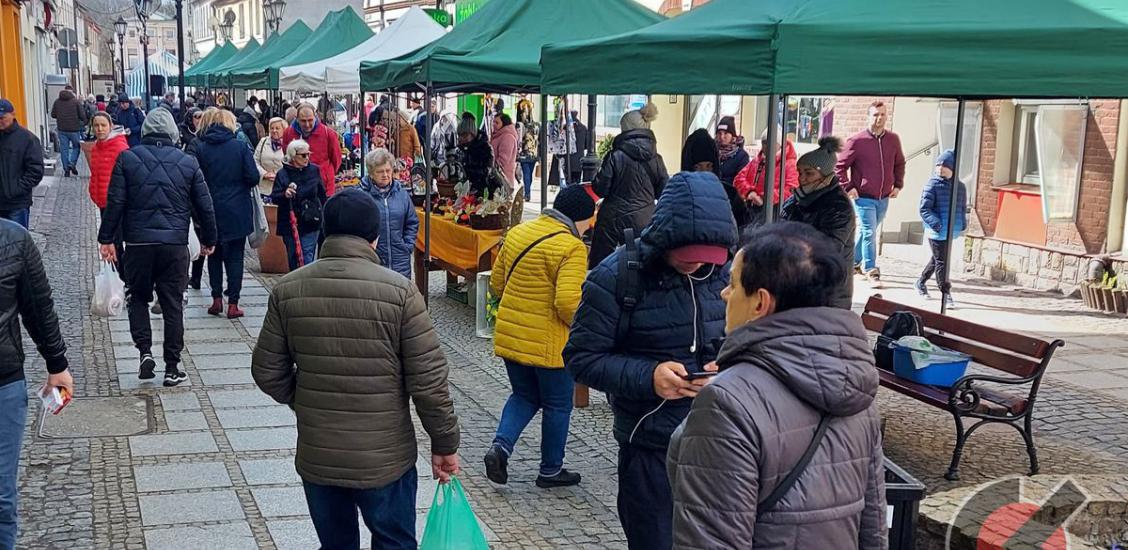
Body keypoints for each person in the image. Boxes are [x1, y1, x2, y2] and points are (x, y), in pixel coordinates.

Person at [251, 189, 461, 550]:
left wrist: (304, 399)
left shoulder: (288, 289)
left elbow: (266, 369)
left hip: (320, 456)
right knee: (394, 542)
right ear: (374, 236)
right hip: (385, 459)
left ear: (327, 230)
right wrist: (444, 443)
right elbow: (429, 382)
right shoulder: (400, 293)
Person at [667, 221, 887, 550]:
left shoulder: (725, 403)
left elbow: (710, 539)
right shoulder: (857, 384)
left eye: (733, 284)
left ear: (760, 303)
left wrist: (732, 386)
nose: (724, 294)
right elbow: (874, 523)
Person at [564, 172, 736, 550]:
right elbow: (581, 358)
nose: (696, 266)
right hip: (650, 444)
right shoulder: (616, 276)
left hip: (723, 444)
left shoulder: (730, 277)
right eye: (687, 256)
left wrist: (729, 367)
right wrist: (649, 376)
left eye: (707, 258)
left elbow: (756, 343)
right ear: (664, 238)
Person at [484, 184, 596, 489]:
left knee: (523, 395)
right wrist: (587, 329)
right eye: (590, 220)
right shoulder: (571, 247)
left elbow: (496, 284)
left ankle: (500, 447)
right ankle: (550, 470)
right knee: (559, 404)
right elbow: (567, 303)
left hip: (511, 336)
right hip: (551, 346)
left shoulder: (519, 232)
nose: (590, 226)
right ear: (579, 218)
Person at [98, 108, 218, 387]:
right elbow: (205, 205)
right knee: (172, 303)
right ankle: (173, 367)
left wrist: (107, 240)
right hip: (174, 244)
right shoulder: (187, 163)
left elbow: (115, 203)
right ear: (174, 134)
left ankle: (144, 352)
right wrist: (209, 239)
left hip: (138, 243)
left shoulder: (127, 159)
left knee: (137, 297)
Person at [0, 217, 73, 549]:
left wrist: (57, 365)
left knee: (1, 495)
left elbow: (38, 307)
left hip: (3, 384)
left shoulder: (13, 239)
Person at [193, 109, 260, 319]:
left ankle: (216, 299)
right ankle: (233, 303)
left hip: (210, 208)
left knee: (213, 253)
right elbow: (252, 177)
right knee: (235, 257)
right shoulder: (239, 146)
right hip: (237, 208)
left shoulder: (201, 147)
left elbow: (195, 179)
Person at [835, 101, 906, 287]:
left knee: (869, 231)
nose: (879, 118)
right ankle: (871, 269)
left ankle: (852, 262)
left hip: (883, 196)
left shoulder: (893, 140)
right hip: (863, 197)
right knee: (869, 232)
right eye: (875, 115)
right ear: (868, 116)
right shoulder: (857, 141)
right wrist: (849, 187)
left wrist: (898, 185)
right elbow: (839, 167)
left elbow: (899, 163)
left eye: (882, 114)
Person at [780, 137, 856, 309]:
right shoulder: (796, 200)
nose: (802, 178)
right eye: (800, 172)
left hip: (828, 294)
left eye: (809, 173)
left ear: (825, 175)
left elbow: (826, 250)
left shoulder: (839, 206)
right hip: (799, 286)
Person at [589, 103, 667, 269]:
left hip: (612, 222)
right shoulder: (656, 159)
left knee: (603, 268)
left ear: (626, 129)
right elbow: (664, 192)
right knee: (641, 268)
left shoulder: (615, 156)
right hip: (645, 220)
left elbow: (600, 188)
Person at [917, 149, 968, 307]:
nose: (940, 168)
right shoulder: (932, 185)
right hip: (936, 231)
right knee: (942, 262)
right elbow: (924, 209)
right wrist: (936, 223)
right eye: (938, 165)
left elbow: (961, 207)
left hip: (950, 230)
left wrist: (962, 222)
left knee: (937, 259)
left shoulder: (960, 187)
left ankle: (920, 282)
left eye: (944, 165)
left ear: (952, 168)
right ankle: (945, 294)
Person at [357, 148, 417, 279]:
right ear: (371, 173)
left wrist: (407, 245)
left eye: (388, 170)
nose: (385, 175)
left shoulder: (401, 193)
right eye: (380, 171)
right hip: (373, 258)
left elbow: (411, 221)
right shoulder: (361, 196)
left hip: (400, 258)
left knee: (401, 295)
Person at [271, 140, 326, 270]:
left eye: (308, 154)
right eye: (303, 155)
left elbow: (322, 194)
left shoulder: (314, 170)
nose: (307, 158)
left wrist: (322, 214)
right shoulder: (282, 174)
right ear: (293, 156)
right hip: (290, 222)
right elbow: (274, 197)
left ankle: (307, 285)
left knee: (307, 256)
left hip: (310, 220)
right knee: (293, 257)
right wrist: (285, 194)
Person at [681, 128, 750, 229]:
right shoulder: (678, 194)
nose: (704, 172)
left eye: (709, 166)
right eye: (698, 167)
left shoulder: (730, 195)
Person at [734, 126, 800, 224]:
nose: (766, 146)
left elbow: (791, 190)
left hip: (774, 213)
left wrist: (764, 198)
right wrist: (750, 192)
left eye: (770, 142)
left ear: (779, 144)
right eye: (764, 143)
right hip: (751, 210)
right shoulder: (757, 161)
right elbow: (738, 179)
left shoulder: (789, 164)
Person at [0, 99, 44, 229]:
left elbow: (35, 171)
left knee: (17, 243)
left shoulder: (27, 139)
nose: (0, 121)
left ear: (13, 115)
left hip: (17, 203)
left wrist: (16, 189)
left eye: (2, 117)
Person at [283, 103, 341, 196]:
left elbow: (336, 159)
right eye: (303, 121)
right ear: (297, 119)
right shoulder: (288, 133)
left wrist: (326, 174)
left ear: (315, 117)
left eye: (310, 120)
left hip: (324, 186)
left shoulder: (328, 134)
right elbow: (288, 156)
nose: (307, 124)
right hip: (298, 185)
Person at [454, 113, 496, 197]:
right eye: (459, 135)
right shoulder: (460, 149)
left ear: (473, 134)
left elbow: (487, 171)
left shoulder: (485, 149)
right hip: (463, 193)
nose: (461, 138)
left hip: (482, 193)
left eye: (465, 135)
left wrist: (468, 172)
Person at [50, 87, 87, 177]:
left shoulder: (57, 102)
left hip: (62, 129)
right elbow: (82, 115)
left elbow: (53, 114)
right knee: (76, 147)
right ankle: (72, 163)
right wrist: (83, 122)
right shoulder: (76, 102)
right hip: (74, 129)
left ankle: (66, 169)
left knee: (64, 149)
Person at [255, 117, 287, 195]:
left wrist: (279, 177)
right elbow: (255, 161)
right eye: (272, 128)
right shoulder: (263, 141)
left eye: (277, 128)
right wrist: (264, 174)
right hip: (263, 188)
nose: (274, 131)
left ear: (284, 129)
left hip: (282, 188)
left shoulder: (288, 143)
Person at [714, 116, 749, 185]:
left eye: (725, 133)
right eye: (719, 133)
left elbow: (741, 181)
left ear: (732, 135)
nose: (722, 137)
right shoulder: (712, 152)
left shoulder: (742, 156)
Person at [490, 113, 519, 190]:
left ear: (504, 123)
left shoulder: (507, 137)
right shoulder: (498, 135)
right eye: (493, 122)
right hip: (497, 177)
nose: (494, 124)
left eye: (497, 122)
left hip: (503, 178)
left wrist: (491, 168)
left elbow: (503, 160)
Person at [517, 113, 539, 201]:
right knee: (529, 174)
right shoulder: (536, 126)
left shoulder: (520, 126)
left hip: (524, 154)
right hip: (533, 153)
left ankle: (527, 193)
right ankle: (527, 192)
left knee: (527, 174)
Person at [568, 111, 591, 185]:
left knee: (567, 183)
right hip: (578, 160)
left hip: (568, 160)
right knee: (576, 182)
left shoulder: (566, 128)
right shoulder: (583, 128)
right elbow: (587, 145)